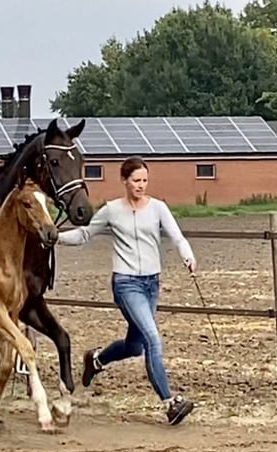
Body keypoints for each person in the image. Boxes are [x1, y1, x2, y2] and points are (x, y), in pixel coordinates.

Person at [57, 156, 196, 425]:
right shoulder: (111, 210)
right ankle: (170, 403)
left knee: (135, 346)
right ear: (124, 181)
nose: (141, 185)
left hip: (151, 283)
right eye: (136, 181)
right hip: (126, 283)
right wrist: (56, 237)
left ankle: (96, 360)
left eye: (144, 180)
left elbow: (177, 236)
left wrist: (187, 256)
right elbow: (85, 234)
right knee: (153, 339)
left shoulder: (158, 208)